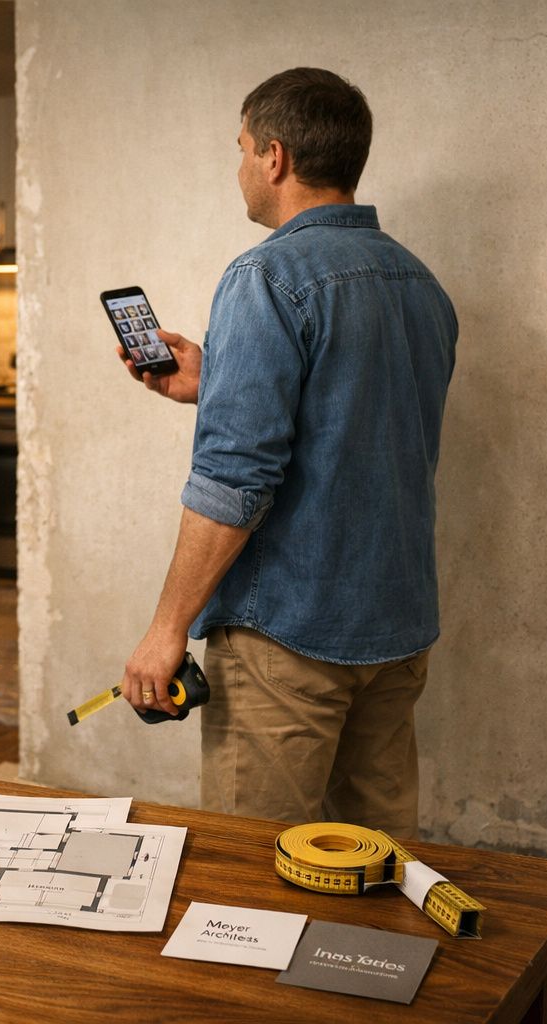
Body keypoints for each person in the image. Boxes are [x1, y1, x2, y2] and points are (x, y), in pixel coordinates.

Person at [117, 67, 457, 837]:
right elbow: (360, 422)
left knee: (253, 871)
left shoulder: (265, 277)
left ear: (275, 157)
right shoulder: (420, 284)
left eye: (241, 148)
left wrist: (167, 630)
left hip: (287, 641)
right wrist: (218, 380)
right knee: (372, 859)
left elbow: (235, 478)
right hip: (395, 630)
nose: (239, 166)